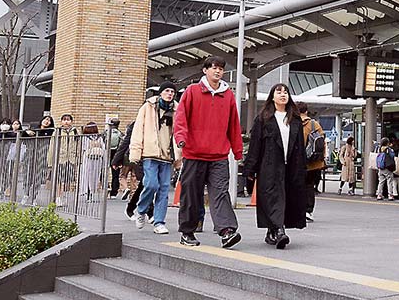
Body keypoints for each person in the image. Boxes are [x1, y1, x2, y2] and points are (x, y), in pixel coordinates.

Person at [174, 55, 243, 249]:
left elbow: (234, 125)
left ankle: (227, 231)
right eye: (213, 67)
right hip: (194, 154)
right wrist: (181, 138)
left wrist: (237, 151)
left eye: (220, 68)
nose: (217, 71)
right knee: (191, 195)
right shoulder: (192, 91)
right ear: (205, 70)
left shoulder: (227, 95)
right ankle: (187, 232)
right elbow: (181, 118)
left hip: (219, 155)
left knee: (221, 193)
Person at [243, 83, 306, 249]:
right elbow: (255, 145)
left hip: (290, 166)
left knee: (286, 197)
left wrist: (302, 168)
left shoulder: (295, 119)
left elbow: (300, 146)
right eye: (279, 92)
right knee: (273, 197)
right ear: (272, 97)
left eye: (286, 92)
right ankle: (279, 231)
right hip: (269, 166)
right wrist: (250, 169)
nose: (283, 94)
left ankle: (272, 231)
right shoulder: (264, 118)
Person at [129, 81, 178, 235]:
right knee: (151, 185)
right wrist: (135, 152)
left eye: (172, 91)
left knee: (164, 189)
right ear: (161, 92)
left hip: (168, 155)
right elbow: (138, 129)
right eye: (167, 91)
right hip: (150, 153)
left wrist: (180, 156)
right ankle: (141, 210)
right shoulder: (148, 107)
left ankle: (159, 222)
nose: (170, 94)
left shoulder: (178, 109)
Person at [299, 102, 326, 221]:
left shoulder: (294, 123)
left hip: (298, 161)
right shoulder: (315, 124)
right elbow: (322, 142)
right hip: (314, 162)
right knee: (310, 186)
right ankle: (308, 211)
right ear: (306, 111)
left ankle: (297, 210)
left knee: (297, 186)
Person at [48, 114, 79, 205]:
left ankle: (62, 196)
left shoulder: (75, 131)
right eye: (64, 120)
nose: (66, 121)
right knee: (59, 179)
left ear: (71, 121)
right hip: (60, 159)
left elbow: (77, 145)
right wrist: (50, 161)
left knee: (67, 180)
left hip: (71, 159)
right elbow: (52, 146)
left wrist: (77, 159)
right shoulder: (57, 132)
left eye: (68, 120)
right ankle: (57, 197)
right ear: (61, 121)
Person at [79, 122, 108, 202]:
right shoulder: (99, 137)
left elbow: (83, 148)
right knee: (95, 176)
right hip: (98, 159)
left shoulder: (84, 138)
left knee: (87, 176)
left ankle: (87, 193)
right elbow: (104, 148)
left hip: (87, 158)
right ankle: (92, 191)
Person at [106, 119, 124, 198]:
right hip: (116, 154)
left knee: (104, 173)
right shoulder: (120, 133)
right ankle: (114, 192)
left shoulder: (106, 132)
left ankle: (106, 188)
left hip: (107, 153)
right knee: (115, 174)